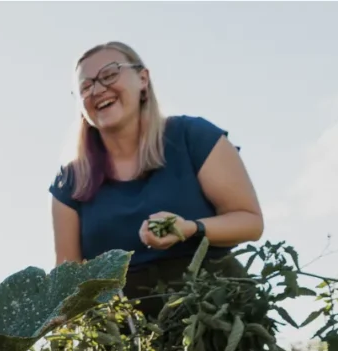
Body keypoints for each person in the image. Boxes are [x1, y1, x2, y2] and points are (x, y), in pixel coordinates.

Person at [49, 41, 263, 315]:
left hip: (215, 310)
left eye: (110, 74)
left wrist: (189, 228)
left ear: (142, 79)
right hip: (126, 333)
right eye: (85, 86)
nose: (98, 89)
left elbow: (250, 222)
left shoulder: (194, 137)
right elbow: (68, 281)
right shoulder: (69, 181)